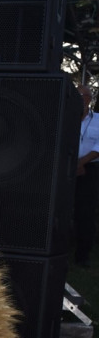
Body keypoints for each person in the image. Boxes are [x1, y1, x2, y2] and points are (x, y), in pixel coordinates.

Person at [74, 83, 99, 266]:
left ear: (90, 100)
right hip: (65, 167)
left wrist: (81, 163)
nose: (81, 99)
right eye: (78, 95)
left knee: (86, 212)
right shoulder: (65, 116)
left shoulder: (98, 119)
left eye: (84, 95)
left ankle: (82, 256)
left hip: (89, 170)